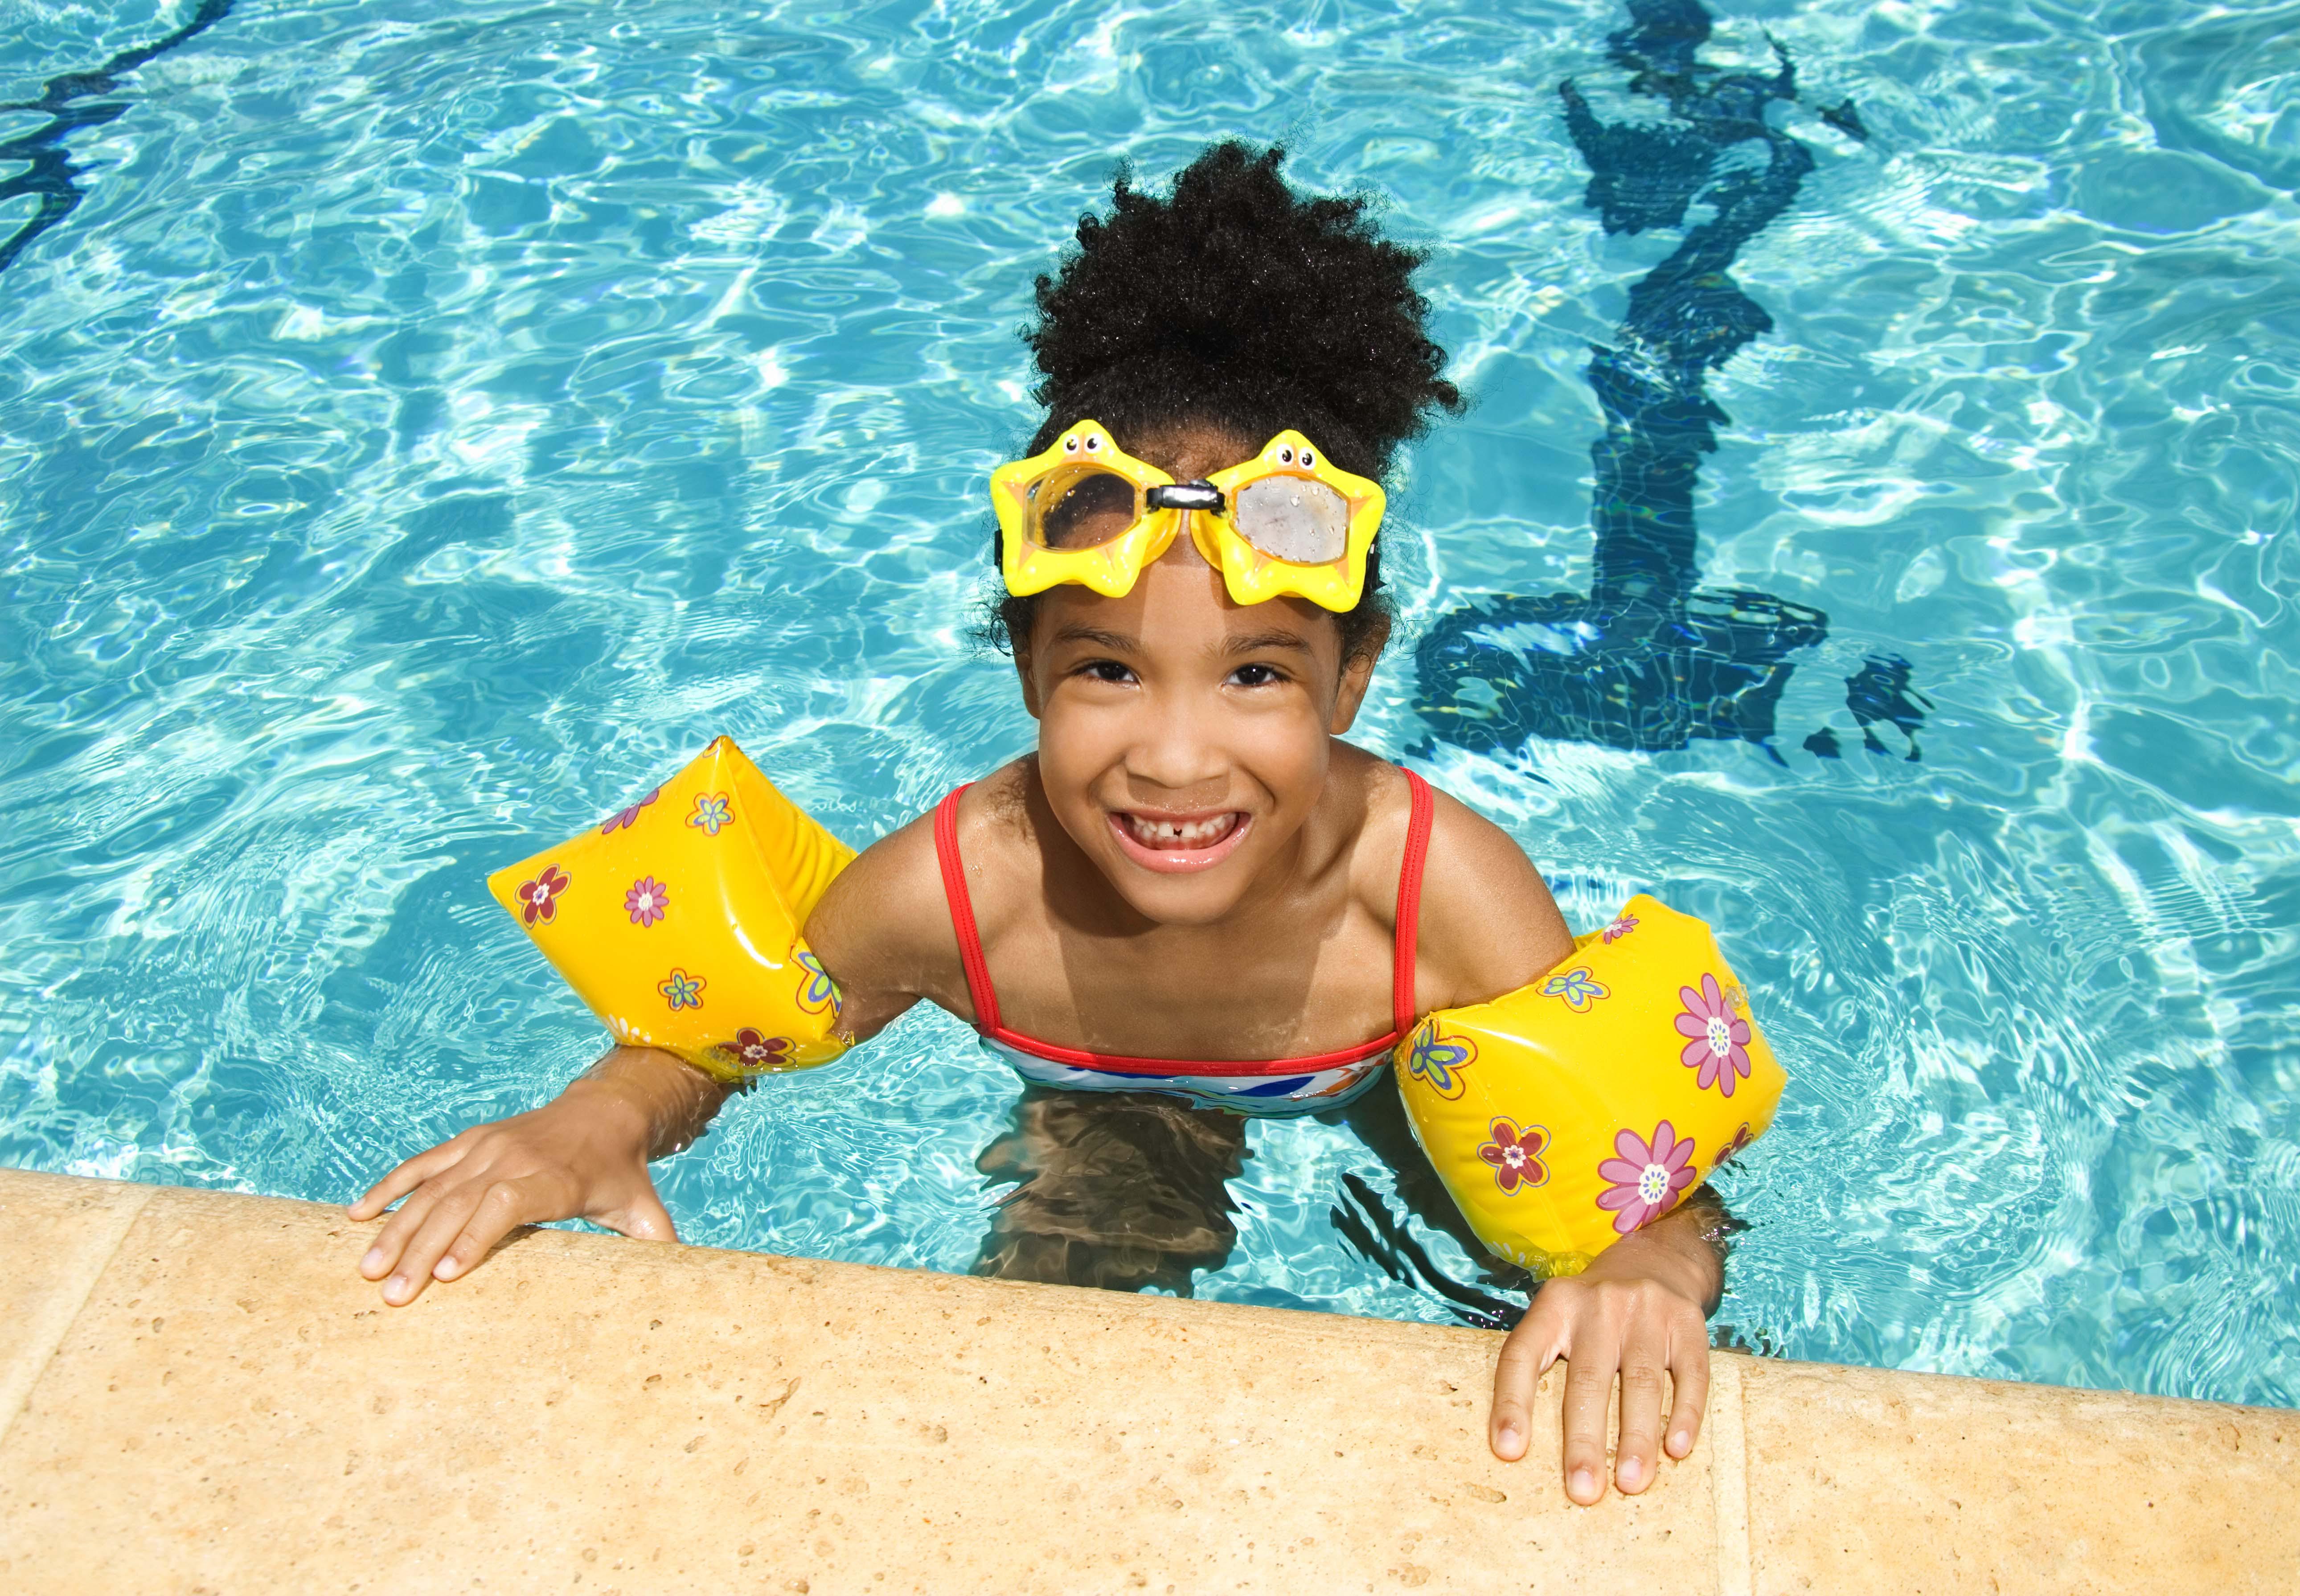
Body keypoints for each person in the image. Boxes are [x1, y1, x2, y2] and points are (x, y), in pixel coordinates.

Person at [350, 142, 1732, 1506]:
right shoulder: (960, 894)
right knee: (1034, 1392)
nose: (1177, 757)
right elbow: (729, 1037)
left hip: (1388, 1093)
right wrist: (599, 1116)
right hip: (1102, 1101)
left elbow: (1642, 1159)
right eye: (1107, 671)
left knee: (1565, 1328)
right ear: (1025, 671)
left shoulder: (1435, 890)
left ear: (1351, 678)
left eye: (1255, 675)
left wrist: (1654, 1260)